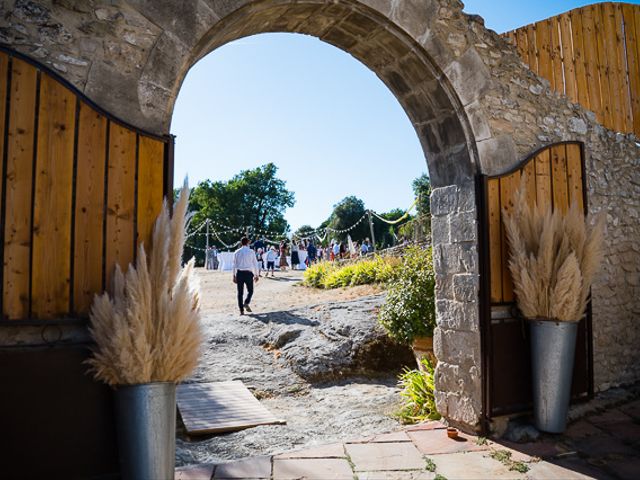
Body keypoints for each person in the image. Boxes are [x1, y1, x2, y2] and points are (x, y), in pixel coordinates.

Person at [232, 237, 259, 315]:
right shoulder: (251, 252)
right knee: (250, 291)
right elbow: (255, 263)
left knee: (240, 293)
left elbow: (234, 265)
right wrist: (256, 274)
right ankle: (246, 302)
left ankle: (241, 310)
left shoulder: (237, 252)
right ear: (247, 243)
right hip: (248, 273)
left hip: (239, 273)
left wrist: (233, 275)